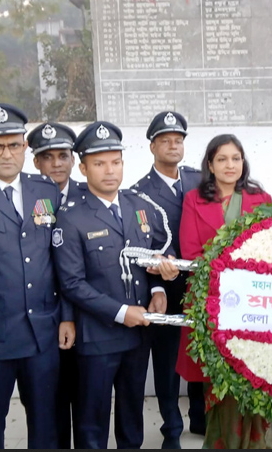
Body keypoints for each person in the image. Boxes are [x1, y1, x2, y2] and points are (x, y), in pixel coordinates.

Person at [52, 121, 180, 449]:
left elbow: (154, 254)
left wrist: (159, 289)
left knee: (131, 417)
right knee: (92, 423)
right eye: (99, 163)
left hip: (138, 338)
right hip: (98, 338)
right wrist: (123, 312)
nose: (110, 171)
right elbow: (72, 283)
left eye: (116, 161)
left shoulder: (140, 206)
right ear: (83, 168)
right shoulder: (71, 216)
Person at [176, 133, 272, 449]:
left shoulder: (262, 199)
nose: (230, 165)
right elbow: (191, 252)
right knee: (221, 382)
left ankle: (256, 443)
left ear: (243, 162)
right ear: (210, 165)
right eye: (222, 159)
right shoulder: (194, 199)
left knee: (253, 377)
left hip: (254, 306)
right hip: (213, 305)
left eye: (236, 158)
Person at [132, 111, 204, 449]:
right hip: (165, 288)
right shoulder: (138, 194)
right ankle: (171, 430)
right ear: (152, 147)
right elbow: (137, 245)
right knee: (167, 363)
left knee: (202, 353)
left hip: (202, 287)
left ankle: (201, 418)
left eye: (178, 140)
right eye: (165, 140)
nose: (173, 146)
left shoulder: (201, 180)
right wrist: (157, 278)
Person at [0, 104, 65, 449]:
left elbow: (60, 260)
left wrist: (64, 317)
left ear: (25, 148)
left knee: (45, 424)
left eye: (13, 144)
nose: (6, 153)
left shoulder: (46, 191)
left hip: (41, 333)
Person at [27, 121, 86, 449]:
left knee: (84, 393)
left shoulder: (87, 195)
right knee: (48, 398)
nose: (56, 164)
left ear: (73, 159)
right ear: (36, 161)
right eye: (47, 157)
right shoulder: (26, 200)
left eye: (63, 155)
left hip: (83, 313)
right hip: (43, 316)